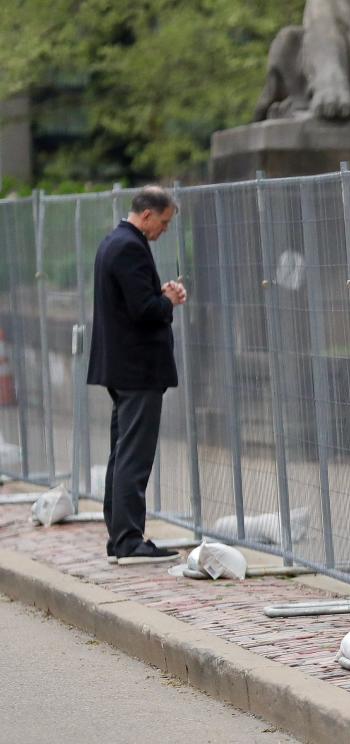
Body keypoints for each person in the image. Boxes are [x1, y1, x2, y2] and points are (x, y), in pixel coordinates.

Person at [86, 186, 187, 565]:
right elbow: (144, 310)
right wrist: (168, 300)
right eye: (163, 222)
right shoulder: (129, 247)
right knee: (134, 454)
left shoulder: (115, 242)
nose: (164, 230)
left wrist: (158, 294)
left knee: (123, 450)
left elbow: (132, 299)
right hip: (137, 369)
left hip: (122, 367)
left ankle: (120, 537)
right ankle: (128, 540)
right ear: (147, 215)